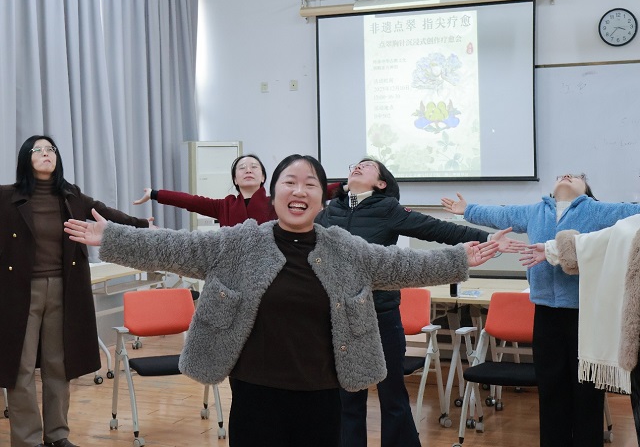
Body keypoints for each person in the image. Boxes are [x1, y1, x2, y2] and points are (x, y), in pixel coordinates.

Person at [63, 154, 499, 447]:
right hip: (256, 391)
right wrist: (113, 237)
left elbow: (404, 266)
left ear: (321, 199)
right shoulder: (239, 243)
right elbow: (175, 247)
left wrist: (461, 257)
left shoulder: (346, 249)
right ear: (274, 196)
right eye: (289, 182)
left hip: (323, 391)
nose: (299, 190)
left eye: (310, 184)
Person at [315, 157, 526, 447]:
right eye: (355, 165)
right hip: (342, 317)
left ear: (381, 183)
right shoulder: (330, 211)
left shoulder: (388, 208)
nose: (358, 167)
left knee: (392, 396)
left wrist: (487, 238)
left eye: (368, 165)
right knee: (347, 399)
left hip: (381, 314)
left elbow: (437, 229)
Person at [441, 173, 640, 447]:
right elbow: (502, 215)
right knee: (550, 392)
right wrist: (468, 210)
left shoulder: (598, 210)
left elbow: (633, 214)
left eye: (576, 176)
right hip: (545, 314)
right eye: (561, 175)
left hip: (585, 315)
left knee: (587, 394)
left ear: (587, 190)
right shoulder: (535, 211)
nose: (567, 176)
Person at [0, 135, 151, 447]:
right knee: (21, 368)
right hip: (19, 293)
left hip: (64, 289)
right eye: (38, 150)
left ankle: (57, 435)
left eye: (50, 149)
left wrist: (143, 227)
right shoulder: (6, 197)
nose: (46, 153)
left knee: (58, 365)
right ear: (26, 158)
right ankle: (27, 440)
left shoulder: (71, 195)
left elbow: (106, 214)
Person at [520, 215, 640, 444]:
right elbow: (598, 243)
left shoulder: (599, 211)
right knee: (554, 395)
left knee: (586, 401)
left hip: (578, 317)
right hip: (559, 317)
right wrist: (552, 249)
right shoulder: (631, 225)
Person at [133, 154, 276, 226]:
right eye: (242, 168)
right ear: (235, 180)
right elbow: (190, 201)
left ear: (263, 177)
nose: (248, 170)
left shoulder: (276, 204)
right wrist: (154, 194)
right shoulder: (224, 206)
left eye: (254, 167)